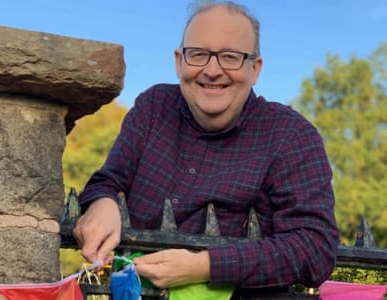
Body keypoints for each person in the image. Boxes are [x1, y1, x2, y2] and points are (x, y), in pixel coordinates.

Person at [73, 0, 339, 294]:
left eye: (230, 57)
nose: (212, 70)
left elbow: (315, 248)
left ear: (255, 69)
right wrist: (101, 203)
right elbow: (107, 181)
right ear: (179, 62)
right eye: (198, 54)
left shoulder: (292, 135)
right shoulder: (152, 108)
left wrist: (205, 266)